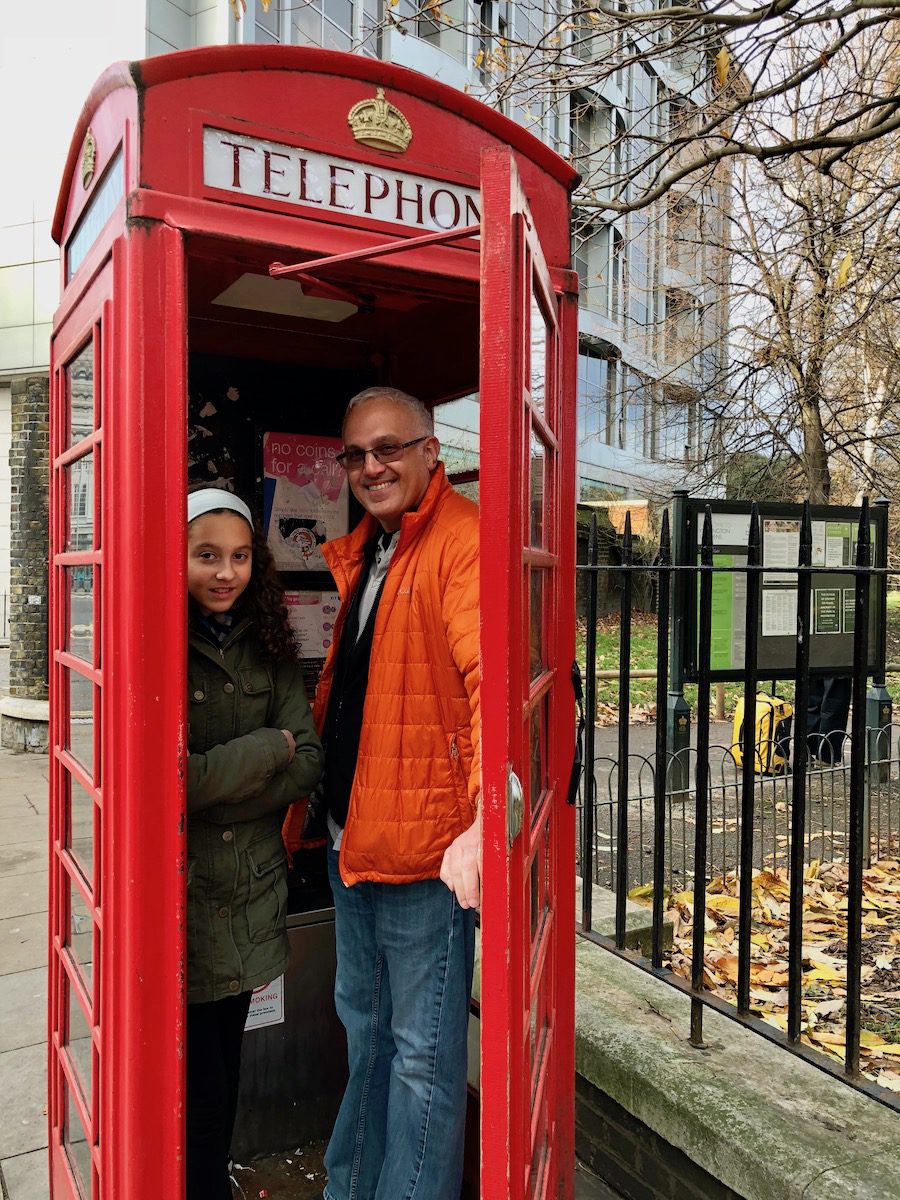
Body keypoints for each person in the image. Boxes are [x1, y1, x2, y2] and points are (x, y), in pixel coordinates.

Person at [284, 387, 481, 1200]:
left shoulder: (460, 543)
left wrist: (477, 827)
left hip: (424, 855)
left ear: (431, 451)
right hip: (351, 838)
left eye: (389, 448)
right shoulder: (373, 547)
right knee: (367, 1040)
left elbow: (492, 691)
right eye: (356, 455)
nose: (372, 467)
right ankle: (351, 1188)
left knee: (422, 1058)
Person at [185, 487, 324, 1200]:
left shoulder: (268, 645)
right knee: (187, 1086)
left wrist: (218, 781)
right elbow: (173, 782)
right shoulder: (158, 642)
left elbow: (309, 762)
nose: (224, 572)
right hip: (177, 903)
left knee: (223, 1081)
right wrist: (268, 744)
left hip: (248, 895)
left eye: (240, 557)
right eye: (206, 555)